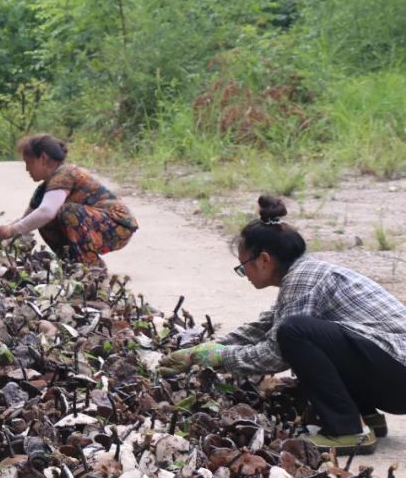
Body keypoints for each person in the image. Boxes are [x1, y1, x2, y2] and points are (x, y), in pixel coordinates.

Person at [160, 195, 406, 455]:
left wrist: (222, 358)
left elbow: (275, 353)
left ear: (264, 260)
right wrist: (211, 347)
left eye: (243, 267)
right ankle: (365, 416)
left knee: (295, 333)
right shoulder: (305, 274)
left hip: (397, 375)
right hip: (392, 376)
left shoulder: (303, 279)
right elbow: (265, 325)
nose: (245, 276)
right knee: (298, 331)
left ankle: (348, 431)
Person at [0, 133, 137, 270]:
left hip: (118, 225)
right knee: (41, 220)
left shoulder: (65, 173)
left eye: (29, 162)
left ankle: (92, 267)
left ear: (44, 159)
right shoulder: (45, 188)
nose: (27, 169)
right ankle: (71, 262)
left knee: (67, 212)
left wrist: (11, 231)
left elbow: (47, 211)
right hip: (99, 226)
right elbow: (27, 219)